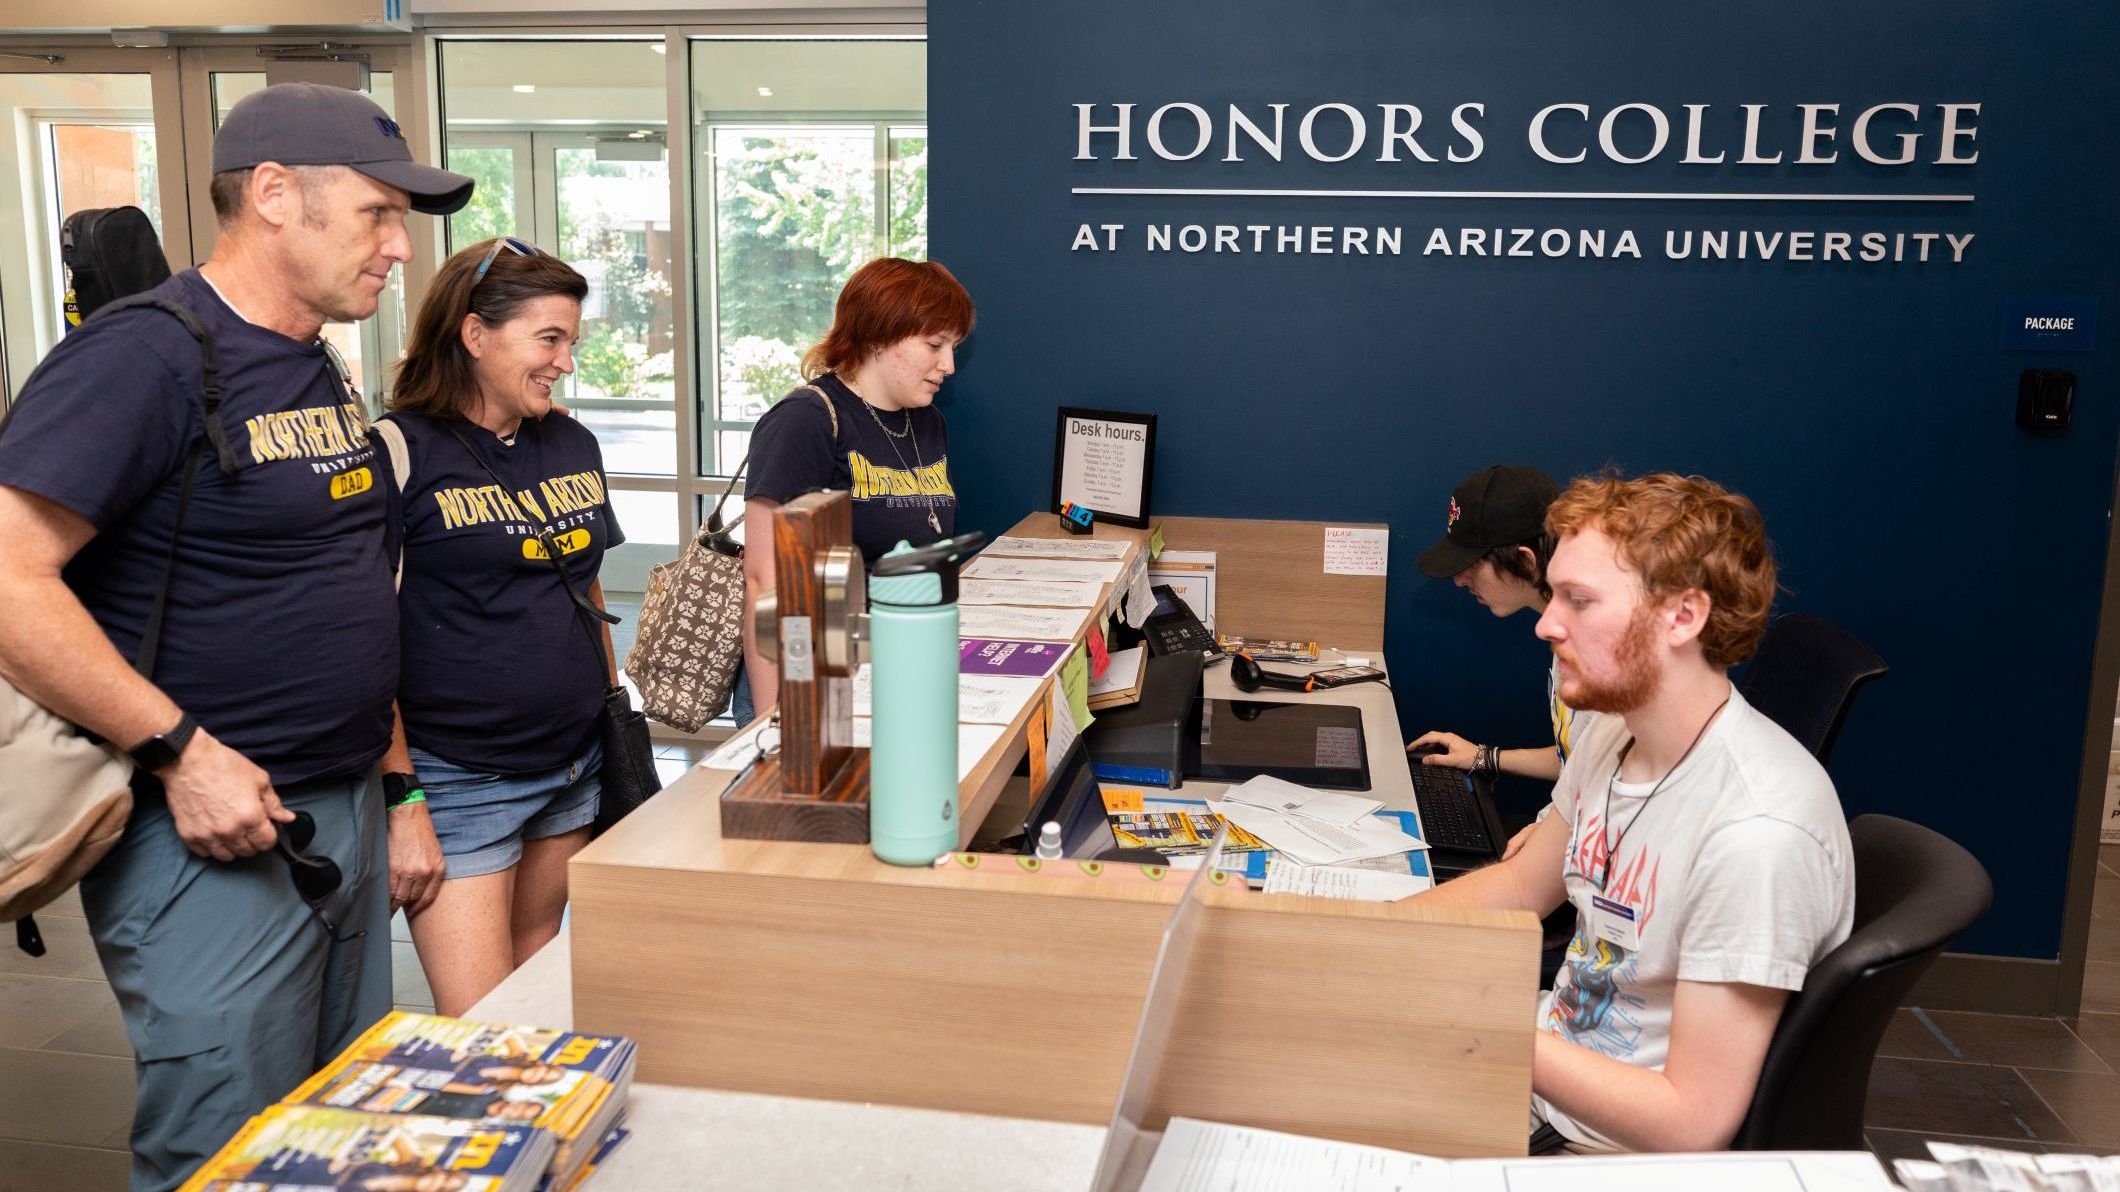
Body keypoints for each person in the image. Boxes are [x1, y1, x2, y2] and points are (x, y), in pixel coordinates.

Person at [0, 84, 471, 1191]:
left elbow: (348, 584)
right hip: (205, 829)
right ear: (272, 195)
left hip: (340, 807)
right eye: (376, 215)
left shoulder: (316, 363)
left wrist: (397, 793)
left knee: (330, 1132)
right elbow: (11, 580)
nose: (401, 249)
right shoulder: (143, 358)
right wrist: (182, 752)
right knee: (221, 1147)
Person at [1418, 472, 1854, 1153]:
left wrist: (1484, 1031)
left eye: (1579, 601)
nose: (1546, 624)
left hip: (1597, 1148)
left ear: (1683, 616)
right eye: (1553, 592)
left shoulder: (1758, 834)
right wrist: (1355, 935)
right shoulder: (1611, 732)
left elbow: (1690, 1122)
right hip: (1540, 1076)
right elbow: (1520, 886)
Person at [373, 238, 621, 1017]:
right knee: (485, 1028)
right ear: (475, 334)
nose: (566, 362)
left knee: (539, 990)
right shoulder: (399, 452)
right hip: (460, 777)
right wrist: (401, 798)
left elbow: (586, 593)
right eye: (549, 339)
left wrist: (610, 716)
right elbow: (364, 638)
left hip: (573, 765)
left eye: (572, 342)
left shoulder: (572, 442)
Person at [738, 257, 976, 717]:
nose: (948, 364)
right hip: (813, 681)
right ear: (877, 336)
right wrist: (771, 725)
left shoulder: (927, 422)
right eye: (934, 344)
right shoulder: (805, 421)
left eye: (954, 347)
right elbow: (763, 581)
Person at [1407, 464, 1594, 857]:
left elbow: (1608, 785)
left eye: (1472, 565)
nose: (1459, 580)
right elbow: (1579, 756)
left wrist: (1549, 832)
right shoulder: (1563, 632)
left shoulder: (1599, 653)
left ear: (1525, 561)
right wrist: (1483, 758)